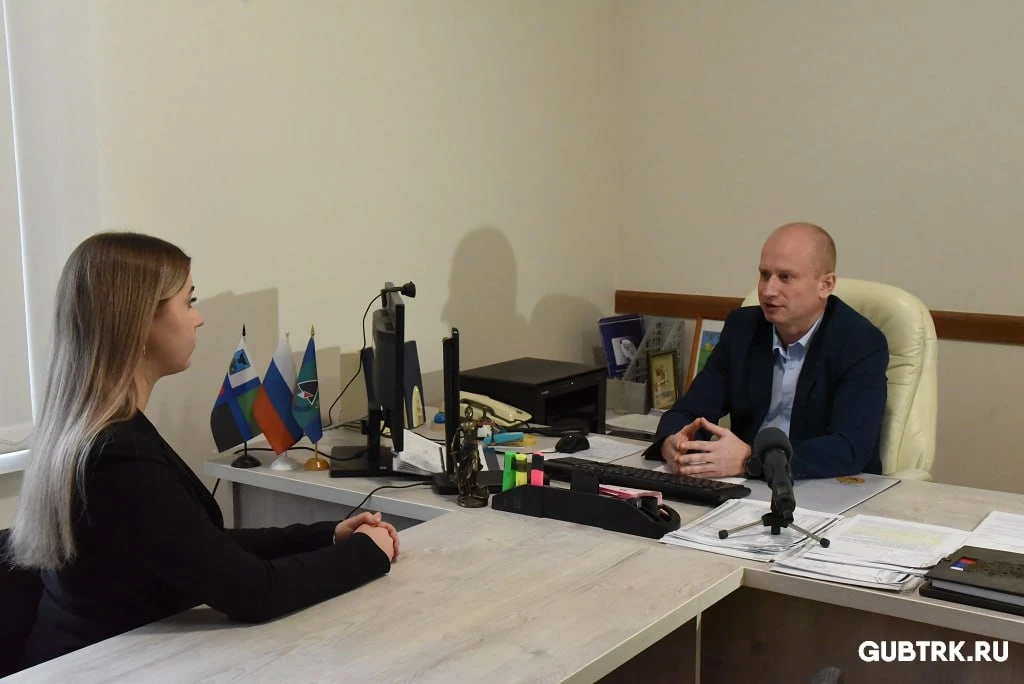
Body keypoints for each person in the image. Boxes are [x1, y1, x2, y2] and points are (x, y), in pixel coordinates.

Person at [6, 232, 401, 668]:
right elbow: (254, 592)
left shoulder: (96, 431)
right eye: (188, 302)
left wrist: (326, 536)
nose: (199, 319)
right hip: (104, 668)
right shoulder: (117, 456)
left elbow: (199, 547)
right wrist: (367, 554)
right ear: (140, 320)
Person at [649, 223, 888, 479]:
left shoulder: (861, 342)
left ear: (825, 285)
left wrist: (751, 459)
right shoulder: (742, 328)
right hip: (745, 485)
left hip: (825, 486)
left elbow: (849, 448)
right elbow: (688, 411)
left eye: (785, 277)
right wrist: (672, 442)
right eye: (764, 275)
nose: (768, 290)